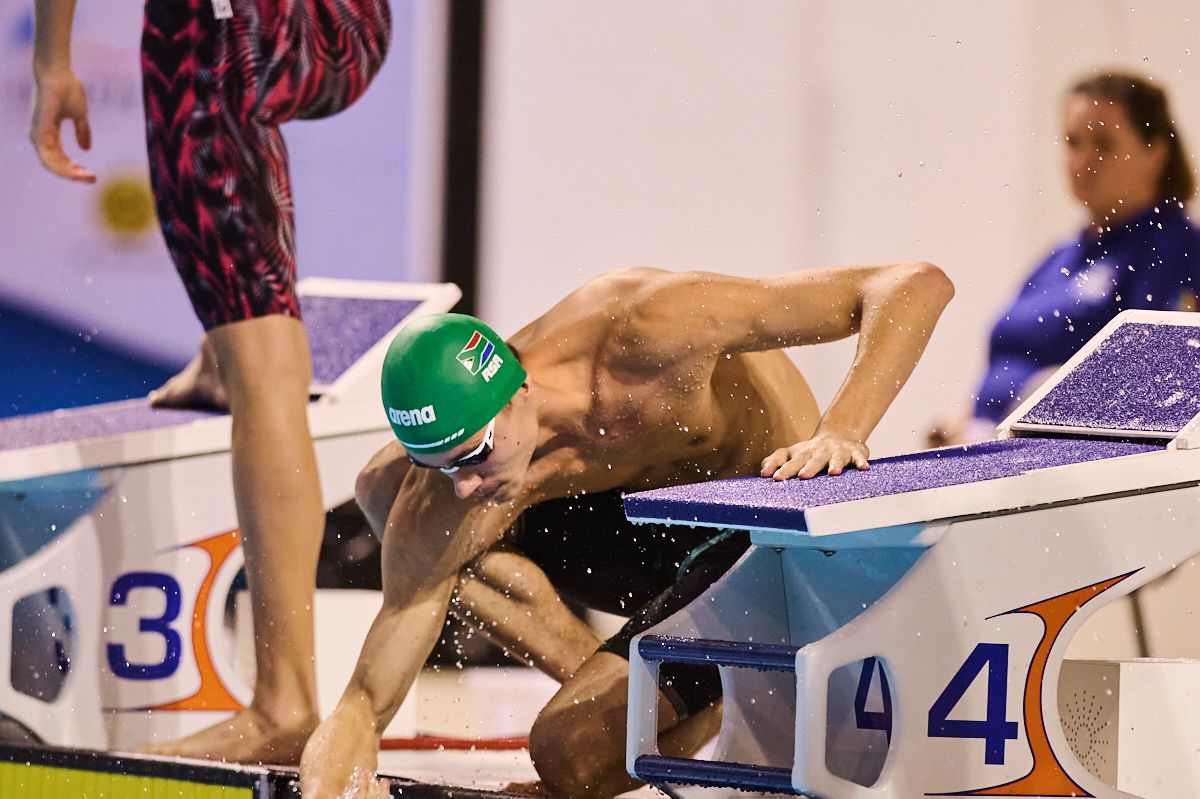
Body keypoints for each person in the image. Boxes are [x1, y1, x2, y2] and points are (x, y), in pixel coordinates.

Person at [298, 263, 954, 798]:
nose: (465, 484)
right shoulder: (453, 483)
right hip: (639, 526)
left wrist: (843, 428)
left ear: (518, 389)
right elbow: (362, 702)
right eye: (439, 466)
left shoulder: (647, 330)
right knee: (386, 494)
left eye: (473, 454)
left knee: (568, 750)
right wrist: (335, 779)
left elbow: (910, 286)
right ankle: (631, 696)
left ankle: (691, 703)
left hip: (760, 529)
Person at [30, 0, 390, 764]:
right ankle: (224, 351)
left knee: (269, 367)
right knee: (244, 304)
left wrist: (52, 63)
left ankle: (284, 704)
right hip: (349, 24)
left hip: (228, 27)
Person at [929, 71, 1200, 446]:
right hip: (990, 447)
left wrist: (1000, 424)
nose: (1083, 160)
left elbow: (1149, 388)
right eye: (1073, 142)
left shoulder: (1174, 250)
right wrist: (961, 420)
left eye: (1104, 144)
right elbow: (1005, 360)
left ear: (1156, 152)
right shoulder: (1059, 255)